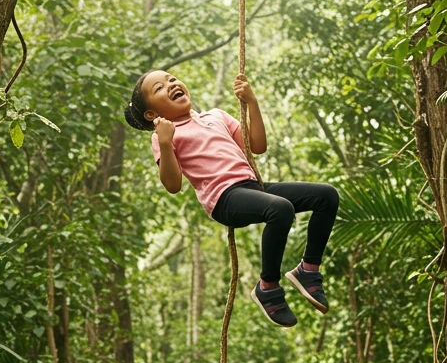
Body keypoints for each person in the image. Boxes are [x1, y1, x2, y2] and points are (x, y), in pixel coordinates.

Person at [124, 69, 339, 328]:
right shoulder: (163, 137)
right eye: (158, 88)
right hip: (224, 198)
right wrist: (166, 142)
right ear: (151, 114)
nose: (171, 85)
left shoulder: (216, 116)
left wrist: (252, 102)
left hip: (253, 188)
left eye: (171, 79)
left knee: (326, 196)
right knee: (281, 209)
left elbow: (257, 146)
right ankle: (268, 287)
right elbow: (172, 184)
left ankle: (308, 270)